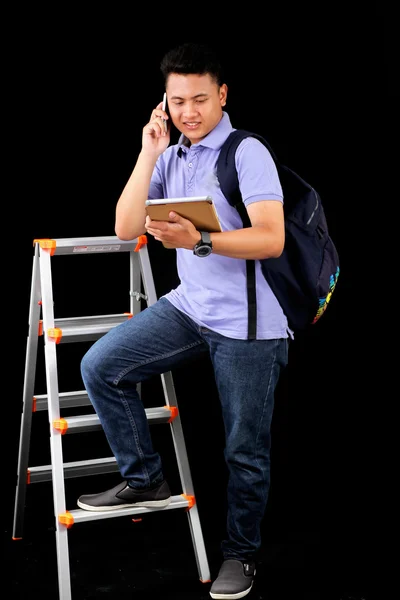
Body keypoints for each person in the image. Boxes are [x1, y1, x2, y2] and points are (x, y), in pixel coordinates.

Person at [77, 42, 289, 599]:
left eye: (199, 98)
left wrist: (200, 240)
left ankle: (240, 555)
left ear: (222, 95)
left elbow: (271, 238)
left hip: (249, 325)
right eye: (177, 101)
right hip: (189, 309)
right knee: (101, 365)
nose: (188, 111)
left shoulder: (247, 152)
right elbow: (127, 228)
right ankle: (145, 478)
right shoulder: (171, 157)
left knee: (244, 448)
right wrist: (150, 151)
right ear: (164, 105)